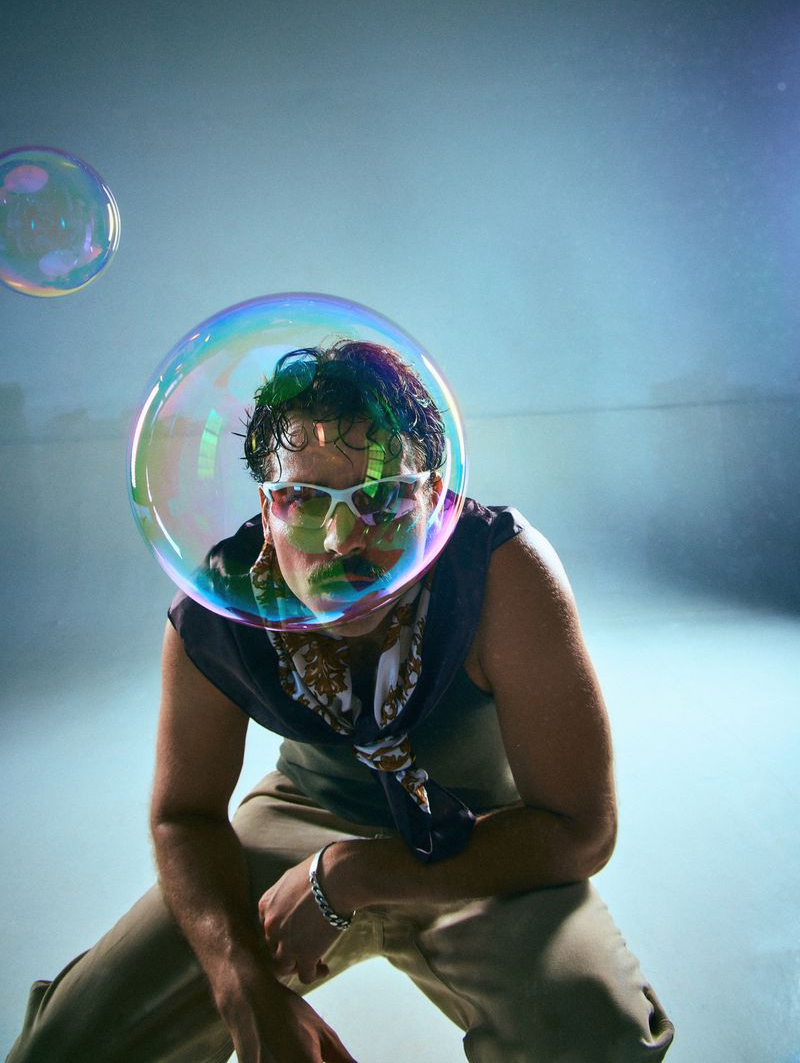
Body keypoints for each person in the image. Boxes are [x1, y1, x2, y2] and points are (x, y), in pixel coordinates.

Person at [7, 341, 675, 1063]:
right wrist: (240, 983)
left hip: (482, 834)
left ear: (434, 498)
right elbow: (184, 816)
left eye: (382, 497)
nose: (341, 541)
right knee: (66, 1048)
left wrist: (349, 876)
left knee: (598, 1038)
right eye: (304, 500)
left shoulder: (499, 568)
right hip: (302, 811)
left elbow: (581, 829)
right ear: (267, 509)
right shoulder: (219, 605)